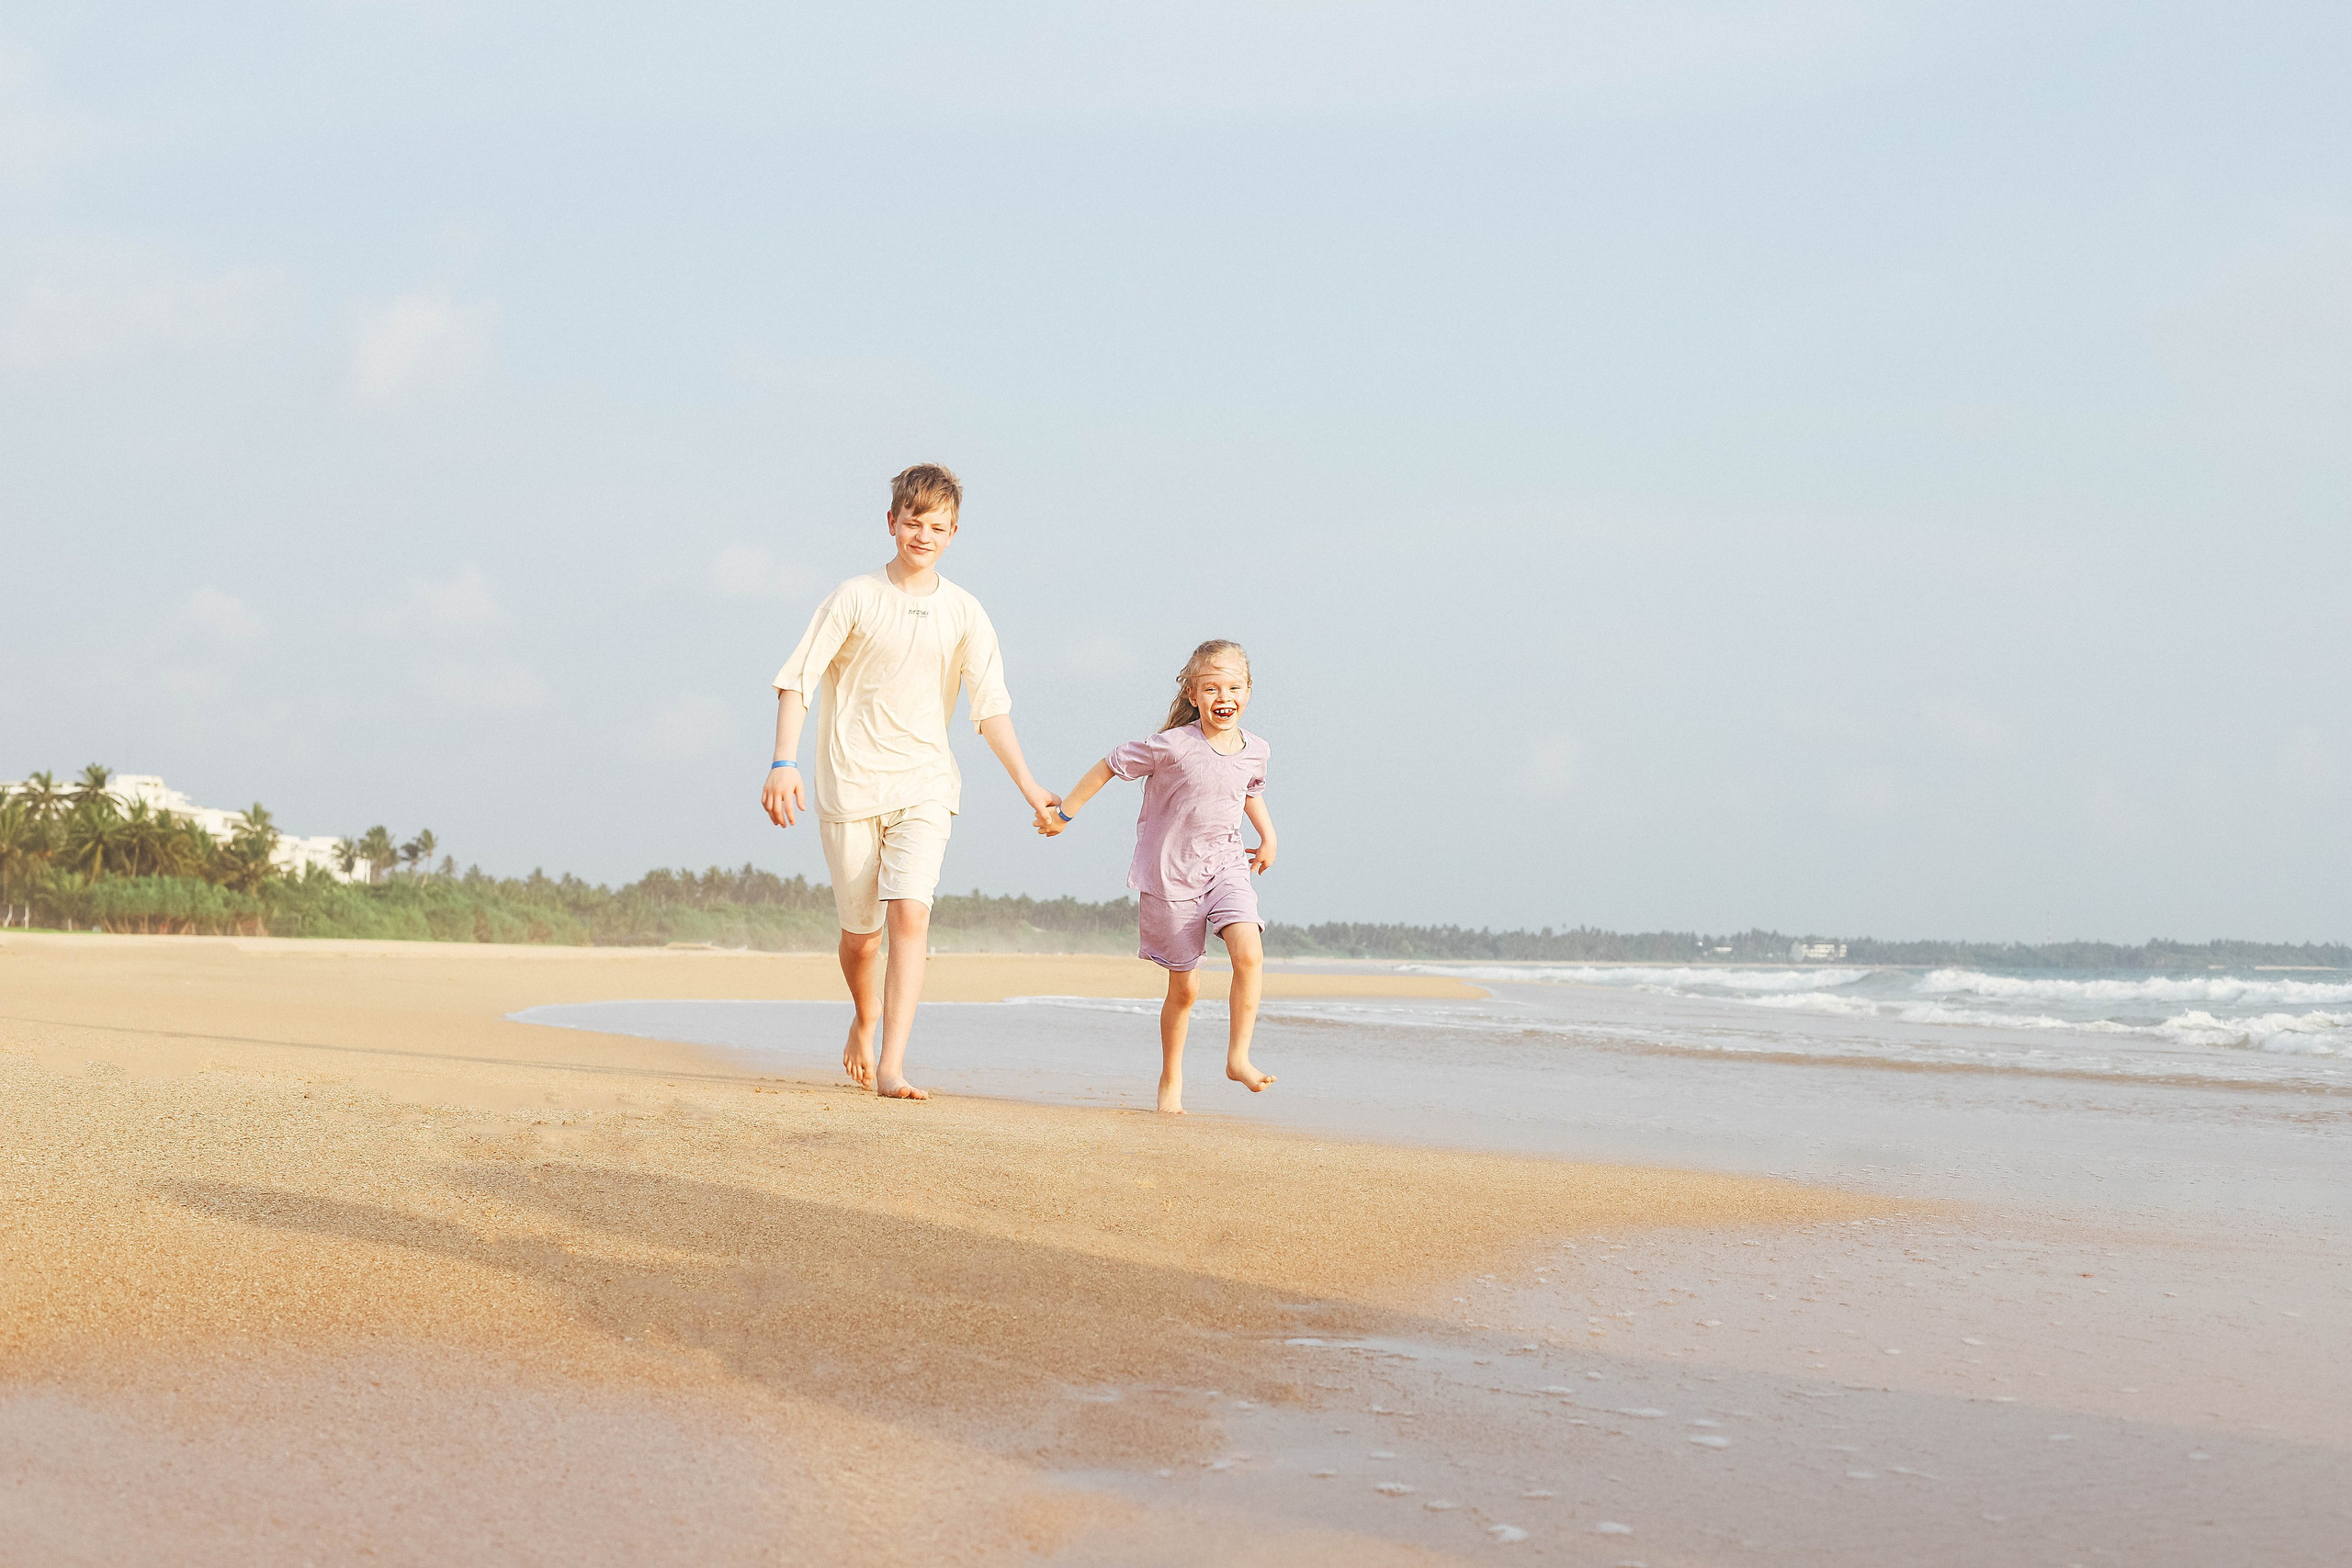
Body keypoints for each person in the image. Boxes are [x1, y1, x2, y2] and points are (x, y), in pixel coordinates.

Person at [761, 464, 1059, 1100]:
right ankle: (865, 1014)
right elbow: (799, 679)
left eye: (939, 526)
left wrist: (1031, 787)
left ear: (955, 532)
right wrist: (783, 761)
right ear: (892, 521)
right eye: (914, 521)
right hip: (849, 783)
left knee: (910, 914)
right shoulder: (856, 596)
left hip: (925, 783)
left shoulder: (966, 612)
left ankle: (893, 1064)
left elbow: (991, 708)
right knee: (861, 941)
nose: (924, 534)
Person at [1039, 638, 1276, 1113]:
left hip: (1227, 865)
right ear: (1193, 695)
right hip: (1171, 877)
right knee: (1184, 988)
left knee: (1249, 951)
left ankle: (1238, 1057)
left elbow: (1247, 790)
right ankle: (1171, 1077)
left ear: (1249, 691)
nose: (1223, 697)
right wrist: (1064, 813)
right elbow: (1110, 765)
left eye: (1233, 687)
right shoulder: (1171, 746)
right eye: (1211, 688)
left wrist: (1268, 836)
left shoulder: (1257, 750)